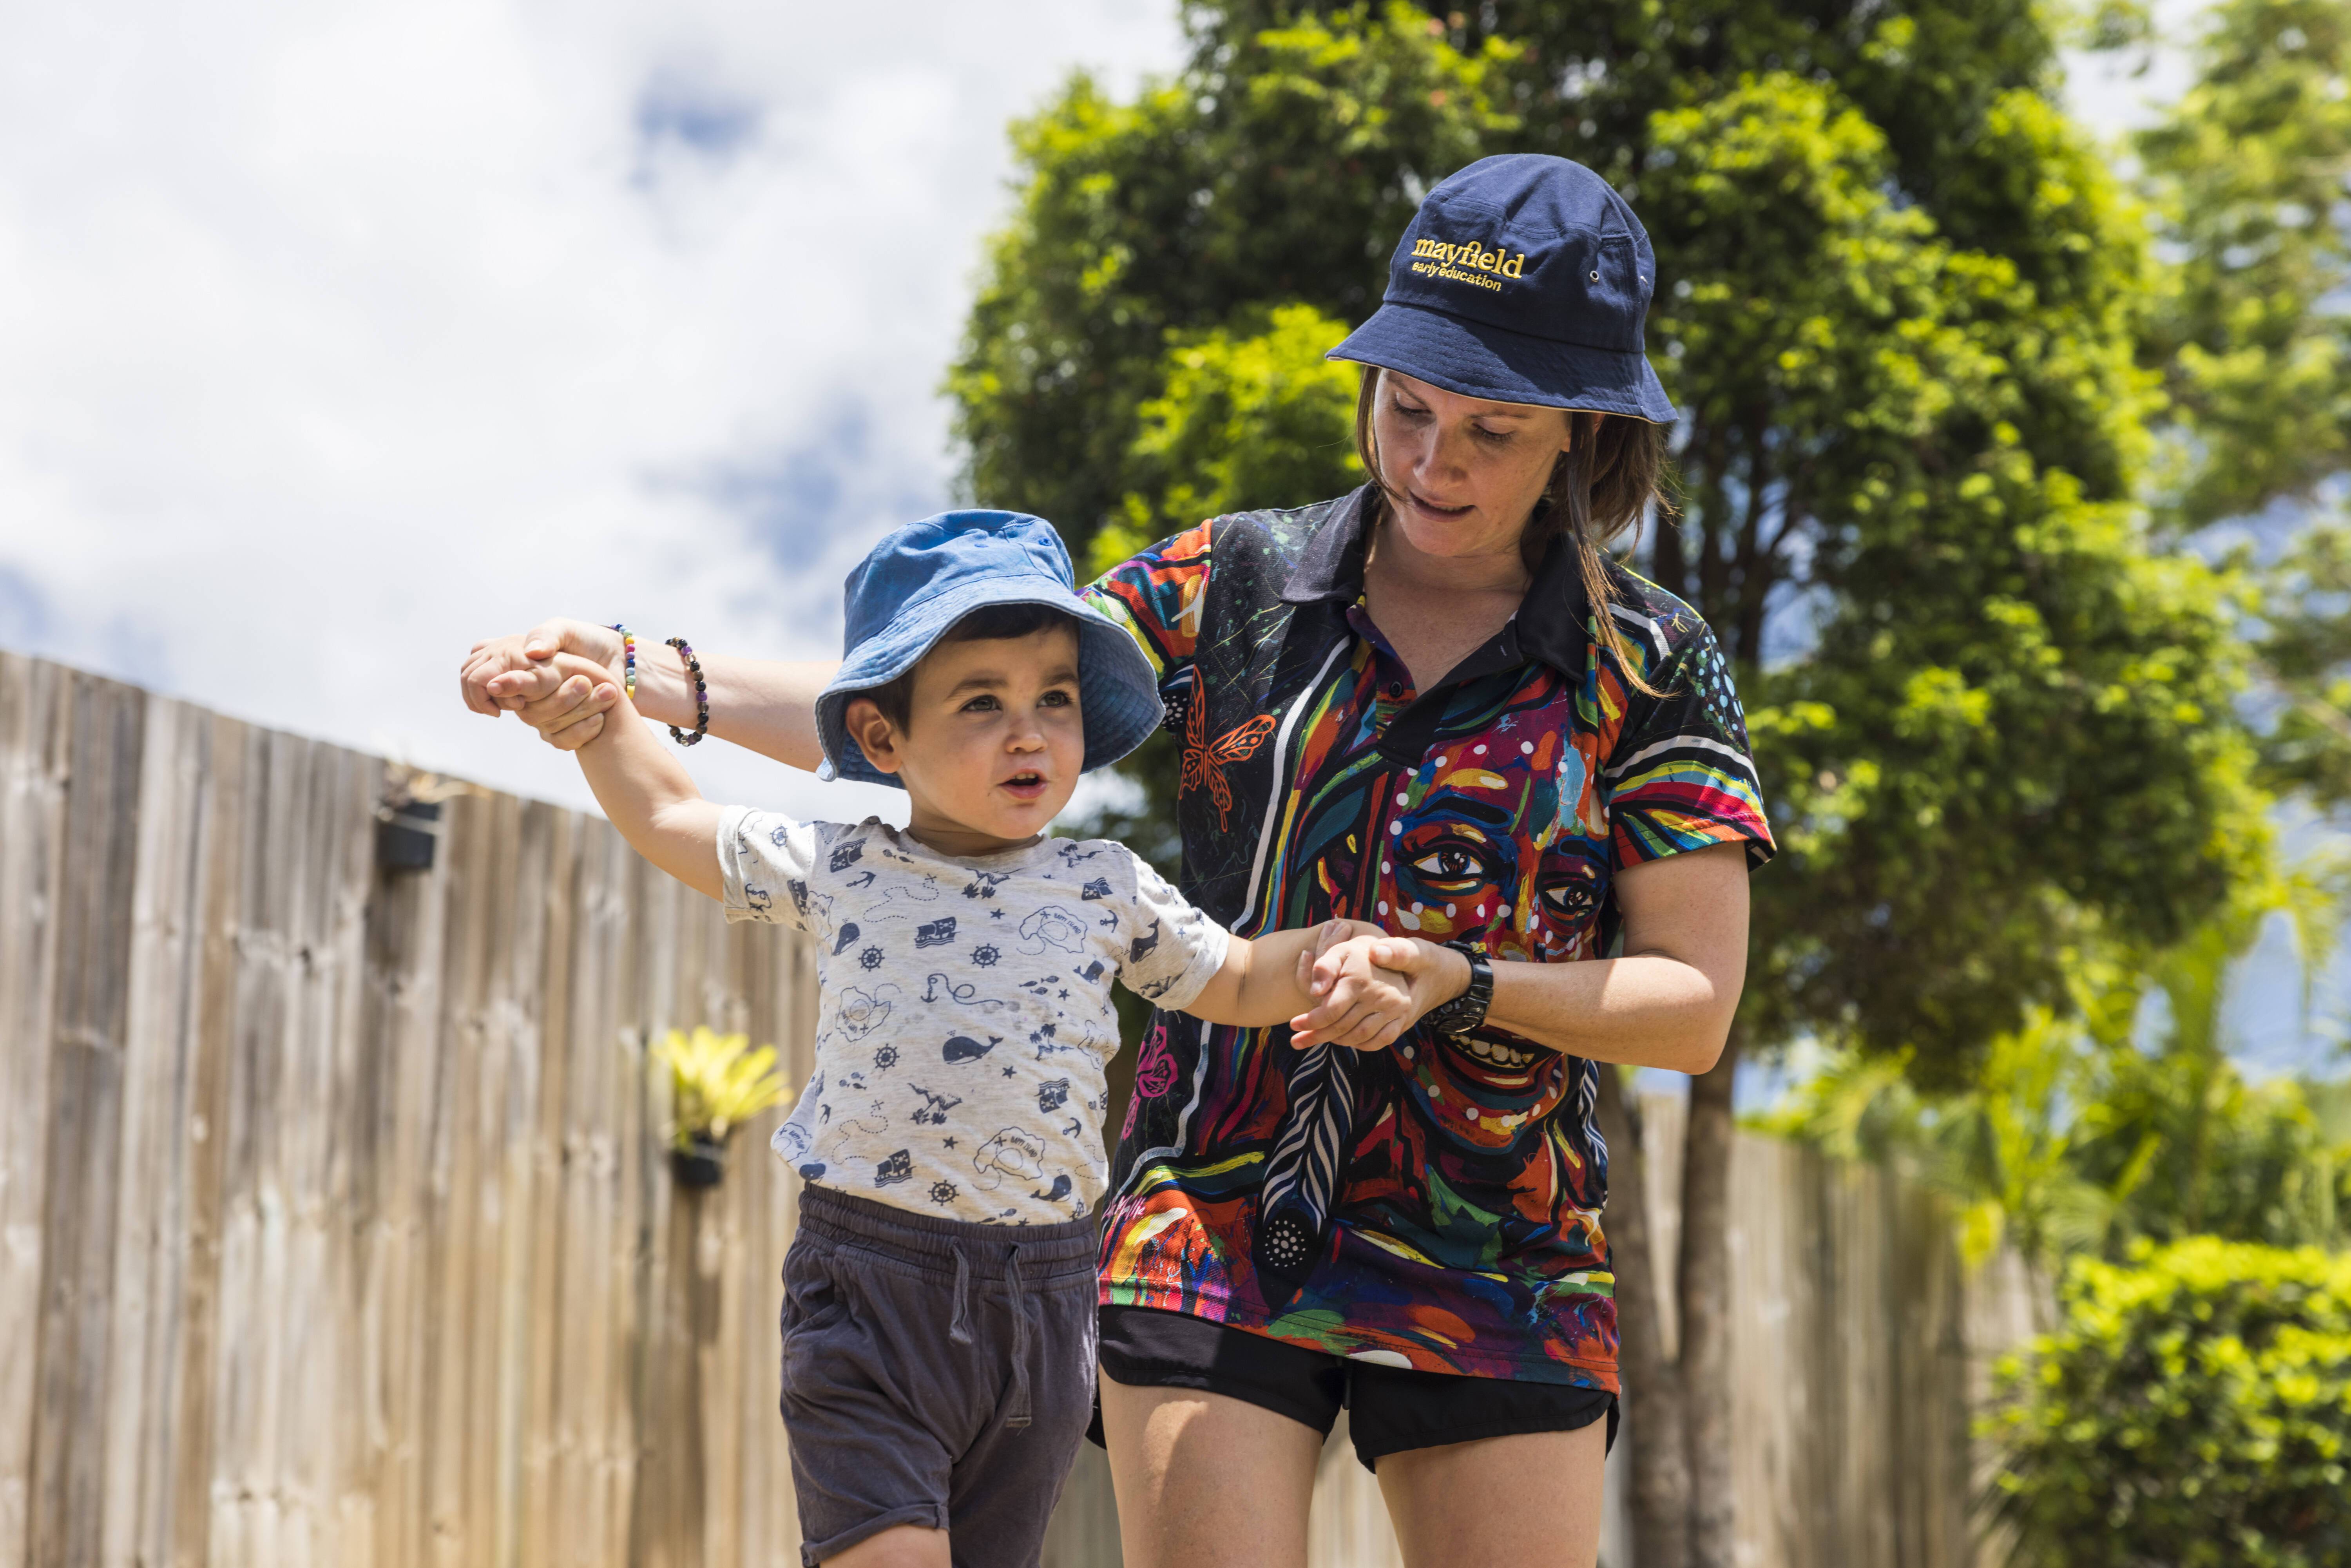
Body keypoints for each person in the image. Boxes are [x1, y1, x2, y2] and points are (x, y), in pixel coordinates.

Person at [464, 153, 1773, 1568]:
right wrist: (638, 672)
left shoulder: (1652, 661)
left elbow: (1693, 1006)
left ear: (1582, 428)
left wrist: (1461, 980)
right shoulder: (1234, 578)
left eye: (1491, 430)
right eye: (1406, 406)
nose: (1429, 462)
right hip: (1205, 1215)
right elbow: (947, 697)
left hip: (1501, 1250)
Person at [501, 509, 1415, 1568]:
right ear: (883, 739)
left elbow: (1237, 977)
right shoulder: (840, 865)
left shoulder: (1107, 886)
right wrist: (596, 714)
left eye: (1054, 699)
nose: (1029, 733)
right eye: (983, 703)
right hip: (873, 1293)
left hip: (1047, 1303)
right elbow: (670, 816)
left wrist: (1330, 952)